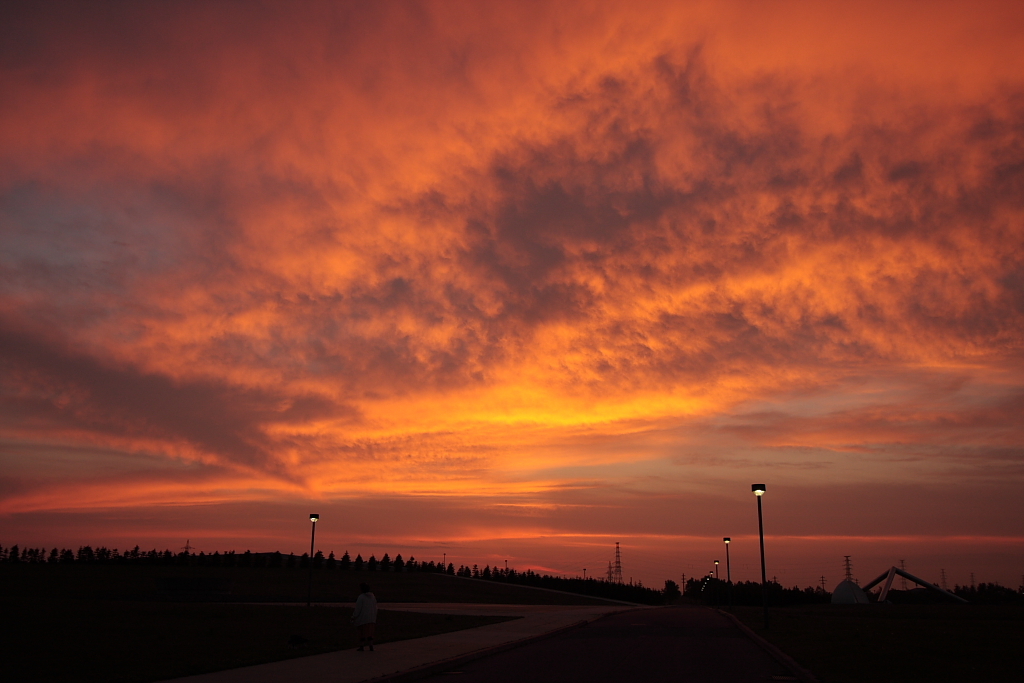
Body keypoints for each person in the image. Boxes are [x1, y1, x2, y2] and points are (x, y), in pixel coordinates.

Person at [351, 582, 378, 651]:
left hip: (363, 619)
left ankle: (362, 646)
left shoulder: (361, 597)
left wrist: (354, 616)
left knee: (362, 633)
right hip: (371, 618)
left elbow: (358, 609)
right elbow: (375, 607)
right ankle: (371, 646)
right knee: (370, 633)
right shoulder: (373, 597)